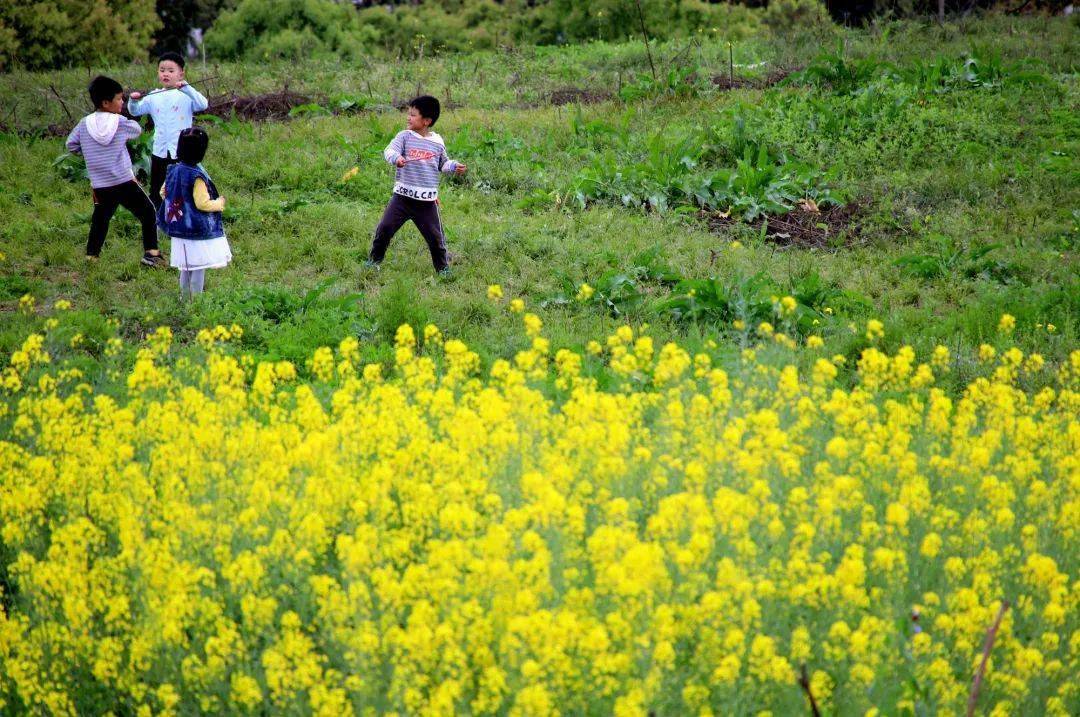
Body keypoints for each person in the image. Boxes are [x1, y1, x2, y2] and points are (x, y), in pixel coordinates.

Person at [65, 75, 164, 266]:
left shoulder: (84, 124)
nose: (123, 102)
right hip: (123, 180)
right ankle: (152, 253)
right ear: (106, 102)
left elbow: (71, 144)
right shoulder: (120, 123)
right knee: (147, 212)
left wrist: (86, 152)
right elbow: (137, 130)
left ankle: (91, 257)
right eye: (119, 99)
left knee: (100, 219)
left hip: (100, 183)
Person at [368, 95, 467, 274]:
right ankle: (374, 261)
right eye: (409, 114)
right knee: (384, 229)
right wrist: (396, 158)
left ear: (427, 121)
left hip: (427, 203)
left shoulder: (437, 142)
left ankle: (443, 270)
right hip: (402, 199)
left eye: (413, 115)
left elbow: (442, 164)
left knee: (436, 239)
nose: (408, 117)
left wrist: (453, 166)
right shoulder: (404, 136)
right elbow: (389, 150)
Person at [128, 51, 209, 209]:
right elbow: (135, 111)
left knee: (183, 187)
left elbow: (203, 104)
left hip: (182, 151)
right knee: (157, 189)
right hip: (160, 150)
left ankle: (183, 216)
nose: (166, 74)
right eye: (162, 70)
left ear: (181, 74)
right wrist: (132, 100)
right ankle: (159, 220)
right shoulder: (153, 96)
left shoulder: (186, 95)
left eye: (171, 71)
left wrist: (187, 88)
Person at [157, 127, 231, 298]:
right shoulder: (196, 176)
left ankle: (184, 299)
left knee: (185, 266)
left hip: (178, 228)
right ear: (201, 151)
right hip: (196, 231)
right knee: (198, 267)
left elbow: (163, 193)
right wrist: (219, 203)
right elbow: (202, 203)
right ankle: (195, 301)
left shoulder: (173, 170)